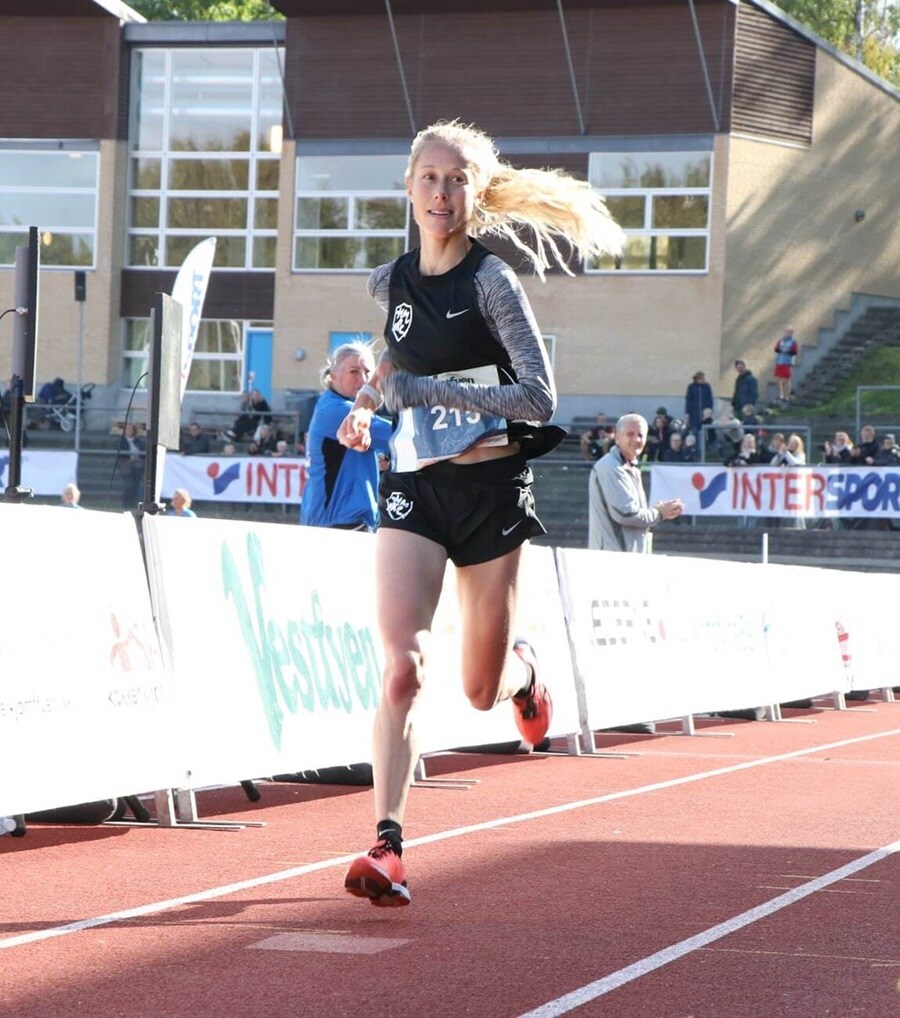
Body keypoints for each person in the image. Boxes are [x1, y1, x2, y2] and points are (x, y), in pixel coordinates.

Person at [336, 119, 624, 907]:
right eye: (428, 178)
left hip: (491, 493)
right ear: (408, 187)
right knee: (401, 666)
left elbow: (539, 396)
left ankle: (527, 678)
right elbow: (398, 353)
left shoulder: (492, 282)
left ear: (474, 192)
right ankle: (387, 844)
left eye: (455, 180)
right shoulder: (388, 281)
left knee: (477, 688)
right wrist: (367, 401)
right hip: (415, 488)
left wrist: (431, 394)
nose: (440, 192)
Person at [300, 341, 392, 530]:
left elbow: (340, 458)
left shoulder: (329, 404)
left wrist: (376, 461)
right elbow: (397, 435)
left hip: (334, 520)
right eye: (354, 371)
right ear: (333, 376)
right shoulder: (338, 411)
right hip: (339, 522)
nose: (364, 379)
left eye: (368, 372)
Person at [588, 413, 684, 552]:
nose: (636, 439)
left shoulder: (628, 467)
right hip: (612, 561)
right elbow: (626, 514)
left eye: (640, 435)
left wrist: (658, 511)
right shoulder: (611, 467)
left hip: (623, 557)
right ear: (617, 437)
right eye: (630, 434)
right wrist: (659, 513)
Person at [116, 422, 145, 510]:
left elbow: (143, 453)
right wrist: (129, 457)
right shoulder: (121, 441)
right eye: (127, 429)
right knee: (128, 485)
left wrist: (138, 458)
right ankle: (126, 504)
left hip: (137, 465)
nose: (128, 431)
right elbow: (120, 453)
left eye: (130, 429)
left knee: (137, 485)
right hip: (126, 465)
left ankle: (134, 503)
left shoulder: (139, 441)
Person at [683, 370, 713, 440]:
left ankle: (706, 446)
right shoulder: (691, 387)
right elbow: (688, 400)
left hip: (705, 414)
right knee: (695, 432)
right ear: (697, 379)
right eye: (702, 379)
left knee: (706, 432)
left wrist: (709, 409)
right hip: (694, 414)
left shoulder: (707, 386)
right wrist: (687, 413)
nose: (703, 380)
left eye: (704, 378)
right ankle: (696, 448)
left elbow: (710, 399)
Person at [773, 326, 799, 403]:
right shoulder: (781, 341)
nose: (786, 333)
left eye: (788, 332)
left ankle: (786, 396)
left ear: (791, 333)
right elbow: (776, 349)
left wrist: (787, 351)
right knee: (777, 379)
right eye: (785, 331)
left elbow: (795, 352)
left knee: (786, 379)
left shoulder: (793, 342)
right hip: (779, 362)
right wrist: (780, 350)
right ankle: (781, 394)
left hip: (787, 362)